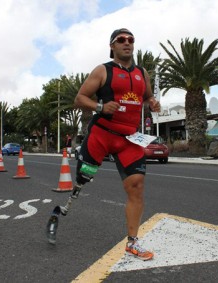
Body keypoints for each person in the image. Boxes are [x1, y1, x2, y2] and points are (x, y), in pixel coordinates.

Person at [73, 28, 160, 261]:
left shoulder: (142, 73)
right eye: (121, 40)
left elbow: (147, 96)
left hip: (129, 139)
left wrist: (152, 101)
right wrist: (100, 107)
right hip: (102, 134)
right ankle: (81, 169)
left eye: (131, 40)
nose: (127, 43)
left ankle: (133, 243)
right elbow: (80, 98)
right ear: (112, 46)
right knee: (84, 177)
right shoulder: (103, 70)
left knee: (137, 186)